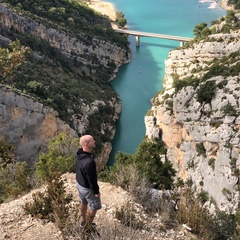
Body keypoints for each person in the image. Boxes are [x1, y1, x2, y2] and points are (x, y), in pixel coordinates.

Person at [75, 135, 101, 229]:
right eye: (92, 140)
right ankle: (87, 226)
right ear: (87, 144)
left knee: (84, 202)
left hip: (79, 183)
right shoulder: (89, 162)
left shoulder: (78, 153)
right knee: (94, 206)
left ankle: (83, 221)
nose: (94, 141)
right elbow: (92, 179)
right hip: (87, 188)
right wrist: (96, 191)